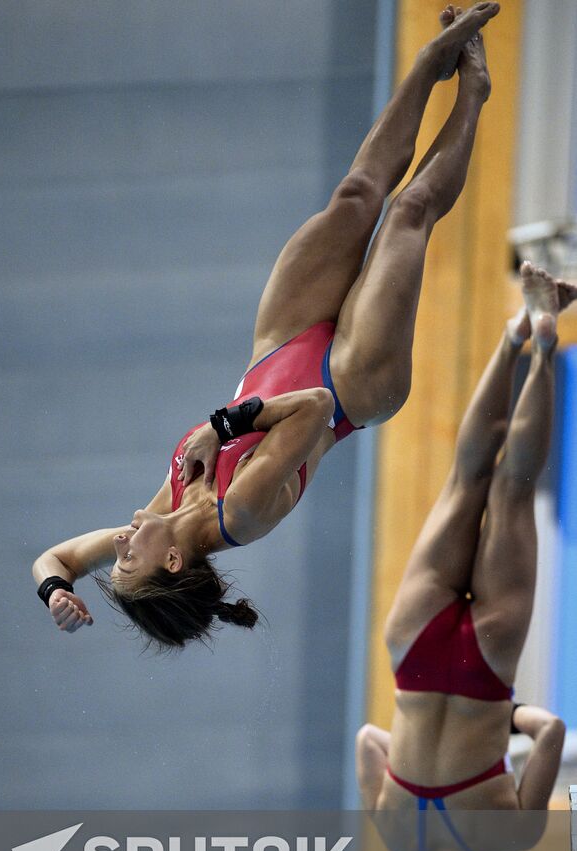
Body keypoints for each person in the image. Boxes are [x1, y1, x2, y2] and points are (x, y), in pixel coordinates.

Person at [33, 4, 501, 650]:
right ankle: (473, 92)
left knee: (357, 195)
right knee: (407, 214)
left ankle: (429, 64)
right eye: (128, 555)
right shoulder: (241, 514)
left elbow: (54, 556)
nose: (120, 538)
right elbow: (309, 408)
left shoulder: (166, 506)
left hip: (280, 343)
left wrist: (55, 590)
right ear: (173, 563)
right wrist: (220, 426)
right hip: (349, 385)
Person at [355, 262, 576, 851]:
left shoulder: (511, 832)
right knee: (466, 479)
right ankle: (513, 333)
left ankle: (546, 339)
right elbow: (370, 740)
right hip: (415, 654)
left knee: (513, 490)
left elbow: (551, 734)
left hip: (487, 666)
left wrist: (503, 715)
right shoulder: (395, 833)